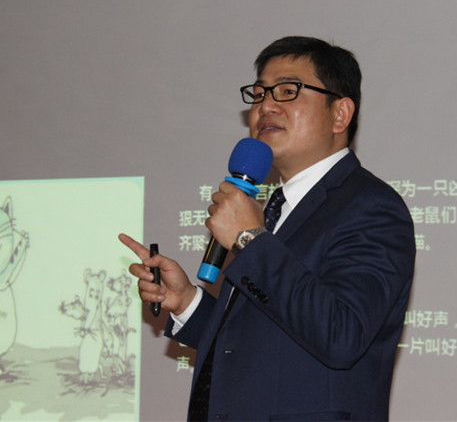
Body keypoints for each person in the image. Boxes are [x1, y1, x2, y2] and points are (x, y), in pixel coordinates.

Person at [121, 36, 415, 421]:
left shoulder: (370, 206)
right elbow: (258, 343)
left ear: (340, 114)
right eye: (258, 94)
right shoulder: (276, 208)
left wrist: (249, 239)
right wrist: (187, 301)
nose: (266, 106)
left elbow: (341, 335)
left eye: (288, 91)